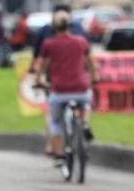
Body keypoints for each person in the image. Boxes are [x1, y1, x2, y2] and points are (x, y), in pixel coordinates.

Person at [36, 10, 97, 158]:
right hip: (81, 89)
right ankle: (85, 123)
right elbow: (90, 63)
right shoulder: (81, 41)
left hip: (59, 90)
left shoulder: (49, 44)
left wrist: (39, 80)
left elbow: (42, 67)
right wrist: (94, 78)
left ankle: (57, 152)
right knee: (87, 104)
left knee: (55, 121)